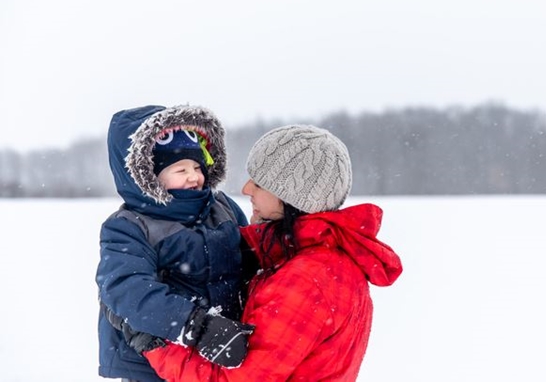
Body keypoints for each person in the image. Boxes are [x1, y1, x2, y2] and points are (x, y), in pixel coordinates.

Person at [130, 124, 403, 381]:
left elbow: (234, 380)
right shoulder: (311, 257)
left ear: (292, 198)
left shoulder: (309, 280)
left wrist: (154, 343)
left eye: (259, 184)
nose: (246, 189)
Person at [96, 104, 256, 382]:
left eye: (197, 165)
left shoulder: (222, 208)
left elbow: (254, 254)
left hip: (224, 349)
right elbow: (127, 288)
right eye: (180, 169)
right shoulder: (130, 226)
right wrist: (196, 325)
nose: (194, 176)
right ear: (146, 176)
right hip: (155, 360)